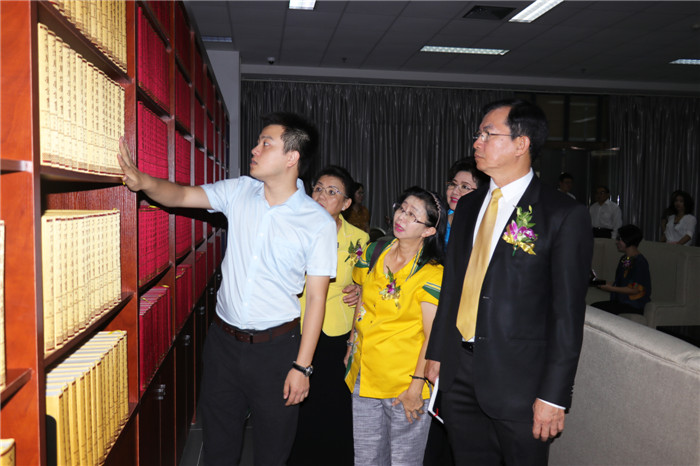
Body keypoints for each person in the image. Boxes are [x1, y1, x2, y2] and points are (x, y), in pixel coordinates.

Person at [117, 112, 337, 466]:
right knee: (218, 448)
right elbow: (180, 195)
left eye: (266, 143)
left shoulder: (317, 222)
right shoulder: (239, 191)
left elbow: (316, 299)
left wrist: (302, 367)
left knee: (272, 453)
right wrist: (144, 182)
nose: (255, 149)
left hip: (277, 352)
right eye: (258, 141)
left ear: (291, 157)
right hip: (223, 344)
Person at [425, 99, 593, 465]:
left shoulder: (562, 214)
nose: (477, 142)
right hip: (459, 370)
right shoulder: (468, 206)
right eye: (478, 134)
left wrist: (554, 395)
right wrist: (436, 353)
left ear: (521, 144)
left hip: (521, 381)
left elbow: (567, 314)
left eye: (488, 134)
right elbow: (453, 287)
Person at [345, 186, 446, 466]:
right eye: (402, 208)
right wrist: (351, 343)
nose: (402, 217)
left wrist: (416, 387)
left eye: (413, 215)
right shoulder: (374, 251)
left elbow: (432, 336)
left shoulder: (432, 273)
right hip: (365, 374)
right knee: (366, 458)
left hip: (405, 383)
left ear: (428, 230)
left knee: (403, 461)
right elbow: (362, 298)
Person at [288, 166, 369, 466]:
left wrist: (360, 289)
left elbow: (367, 283)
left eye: (332, 192)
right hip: (294, 326)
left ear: (346, 203)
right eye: (318, 188)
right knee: (295, 405)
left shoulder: (359, 240)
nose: (322, 195)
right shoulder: (291, 230)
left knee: (333, 404)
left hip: (336, 332)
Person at [591, 224, 651, 315]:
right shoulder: (626, 259)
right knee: (594, 307)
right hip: (622, 303)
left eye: (620, 239)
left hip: (634, 305)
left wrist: (611, 288)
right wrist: (597, 283)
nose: (617, 242)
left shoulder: (640, 262)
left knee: (595, 308)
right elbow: (621, 282)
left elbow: (635, 289)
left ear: (628, 240)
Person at [443, 158, 489, 245]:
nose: (455, 191)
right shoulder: (436, 223)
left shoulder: (484, 229)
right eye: (453, 184)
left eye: (464, 187)